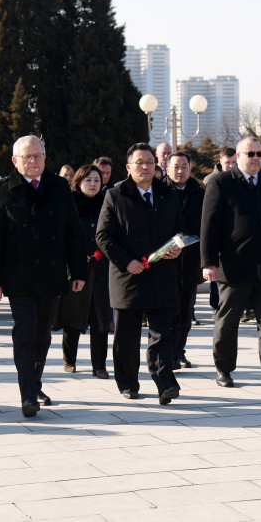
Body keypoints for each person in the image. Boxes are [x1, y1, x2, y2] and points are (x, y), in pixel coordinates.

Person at [0, 136, 87, 418]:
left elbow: (72, 231)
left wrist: (78, 271)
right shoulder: (3, 189)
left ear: (45, 157)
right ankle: (27, 394)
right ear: (15, 161)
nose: (33, 161)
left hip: (52, 274)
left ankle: (35, 383)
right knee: (25, 332)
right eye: (27, 157)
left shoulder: (59, 186)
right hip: (19, 276)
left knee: (42, 334)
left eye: (38, 155)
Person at [201, 136, 261, 395]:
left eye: (259, 154)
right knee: (228, 321)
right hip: (234, 268)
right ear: (239, 156)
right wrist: (209, 262)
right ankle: (223, 368)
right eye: (250, 154)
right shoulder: (221, 183)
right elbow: (209, 225)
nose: (256, 158)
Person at [96, 143, 184, 405]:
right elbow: (103, 236)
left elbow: (180, 230)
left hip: (162, 275)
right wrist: (127, 262)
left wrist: (177, 249)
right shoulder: (115, 195)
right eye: (139, 162)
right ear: (128, 167)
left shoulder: (168, 194)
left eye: (149, 162)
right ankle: (127, 383)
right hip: (128, 277)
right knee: (126, 336)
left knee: (162, 333)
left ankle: (165, 382)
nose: (145, 167)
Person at [54, 164, 110, 378]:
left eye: (97, 180)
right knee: (73, 315)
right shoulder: (70, 203)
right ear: (78, 181)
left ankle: (99, 364)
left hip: (102, 267)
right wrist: (77, 255)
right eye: (88, 180)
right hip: (77, 268)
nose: (93, 184)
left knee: (100, 317)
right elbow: (62, 234)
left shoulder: (108, 202)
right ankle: (70, 359)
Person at [164, 151, 205, 369]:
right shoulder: (160, 191)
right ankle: (167, 352)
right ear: (167, 168)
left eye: (184, 167)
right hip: (166, 259)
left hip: (190, 261)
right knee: (168, 311)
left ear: (190, 168)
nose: (180, 171)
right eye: (175, 167)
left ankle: (179, 351)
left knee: (186, 311)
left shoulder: (199, 193)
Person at [204, 146, 237, 313]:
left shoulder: (240, 179)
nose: (230, 166)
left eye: (234, 162)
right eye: (227, 163)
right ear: (220, 162)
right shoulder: (211, 180)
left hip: (233, 235)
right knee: (215, 274)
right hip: (217, 232)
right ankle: (216, 305)